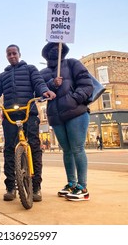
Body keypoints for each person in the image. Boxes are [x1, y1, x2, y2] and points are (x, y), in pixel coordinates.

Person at [0, 44, 56, 202]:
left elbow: (39, 83)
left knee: (34, 147)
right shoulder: (2, 76)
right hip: (9, 115)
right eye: (9, 54)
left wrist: (44, 91)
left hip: (29, 112)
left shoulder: (30, 69)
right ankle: (10, 186)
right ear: (6, 56)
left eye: (14, 53)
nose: (12, 56)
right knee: (9, 150)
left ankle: (36, 187)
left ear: (19, 54)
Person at [40, 42, 93, 201]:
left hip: (76, 113)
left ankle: (83, 188)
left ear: (62, 50)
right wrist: (52, 85)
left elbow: (87, 85)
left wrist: (73, 99)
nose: (55, 51)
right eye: (51, 49)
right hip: (56, 117)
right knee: (67, 151)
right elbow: (40, 93)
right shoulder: (43, 72)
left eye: (58, 48)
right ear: (46, 53)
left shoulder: (72, 63)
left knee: (77, 149)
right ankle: (71, 183)